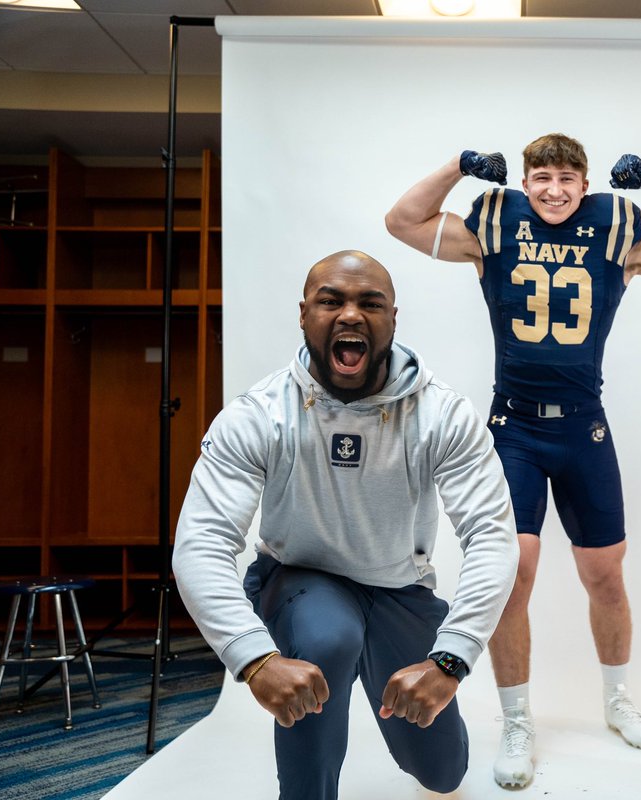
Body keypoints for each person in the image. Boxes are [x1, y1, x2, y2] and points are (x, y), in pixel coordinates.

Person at [385, 133, 641, 788]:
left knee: (604, 574)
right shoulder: (496, 222)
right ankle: (517, 720)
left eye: (566, 178)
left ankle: (617, 698)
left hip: (583, 429)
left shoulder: (615, 229)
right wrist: (458, 169)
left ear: (585, 183)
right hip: (512, 427)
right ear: (524, 180)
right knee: (513, 573)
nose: (552, 189)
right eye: (540, 177)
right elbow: (402, 221)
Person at [172, 250, 519, 800]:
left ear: (393, 318)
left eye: (370, 303)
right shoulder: (260, 413)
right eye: (331, 300)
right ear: (304, 314)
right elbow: (202, 543)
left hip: (398, 589)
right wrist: (253, 657)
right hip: (303, 578)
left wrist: (451, 657)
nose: (351, 315)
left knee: (444, 772)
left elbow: (491, 536)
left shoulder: (443, 415)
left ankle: (371, 653)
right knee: (328, 638)